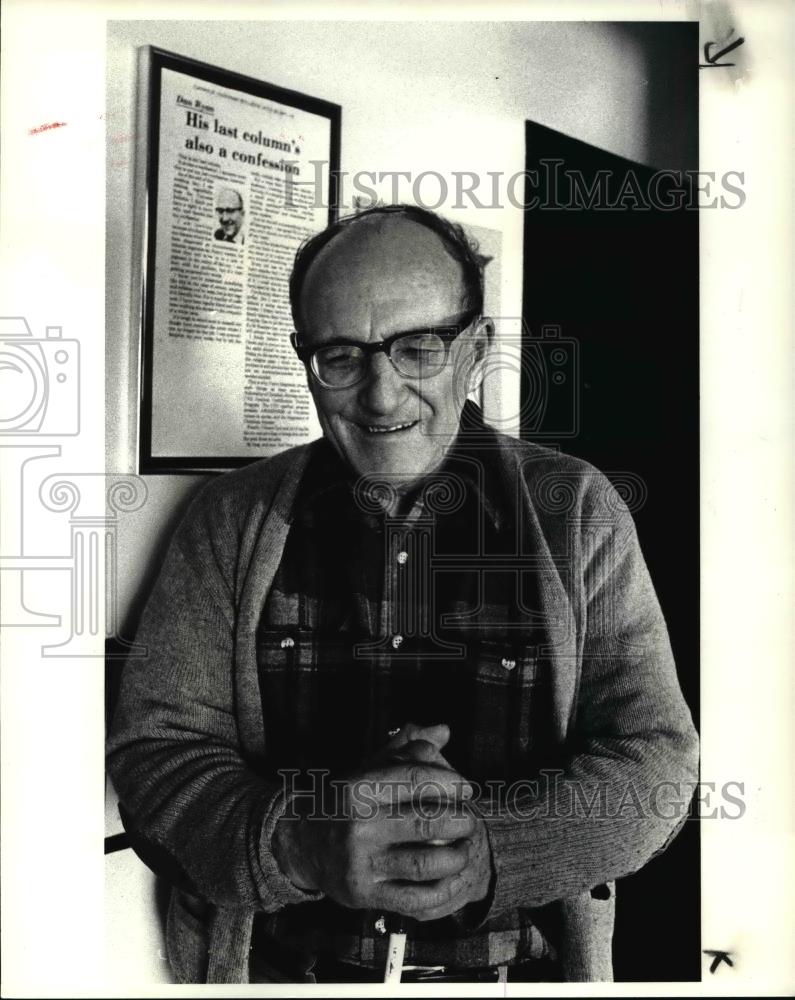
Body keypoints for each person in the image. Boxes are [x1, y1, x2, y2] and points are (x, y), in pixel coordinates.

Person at [107, 204, 699, 984]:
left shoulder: (579, 510)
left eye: (419, 348)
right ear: (303, 357)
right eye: (341, 357)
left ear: (477, 348)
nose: (381, 397)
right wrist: (301, 844)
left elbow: (657, 761)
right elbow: (158, 753)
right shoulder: (228, 519)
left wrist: (493, 847)